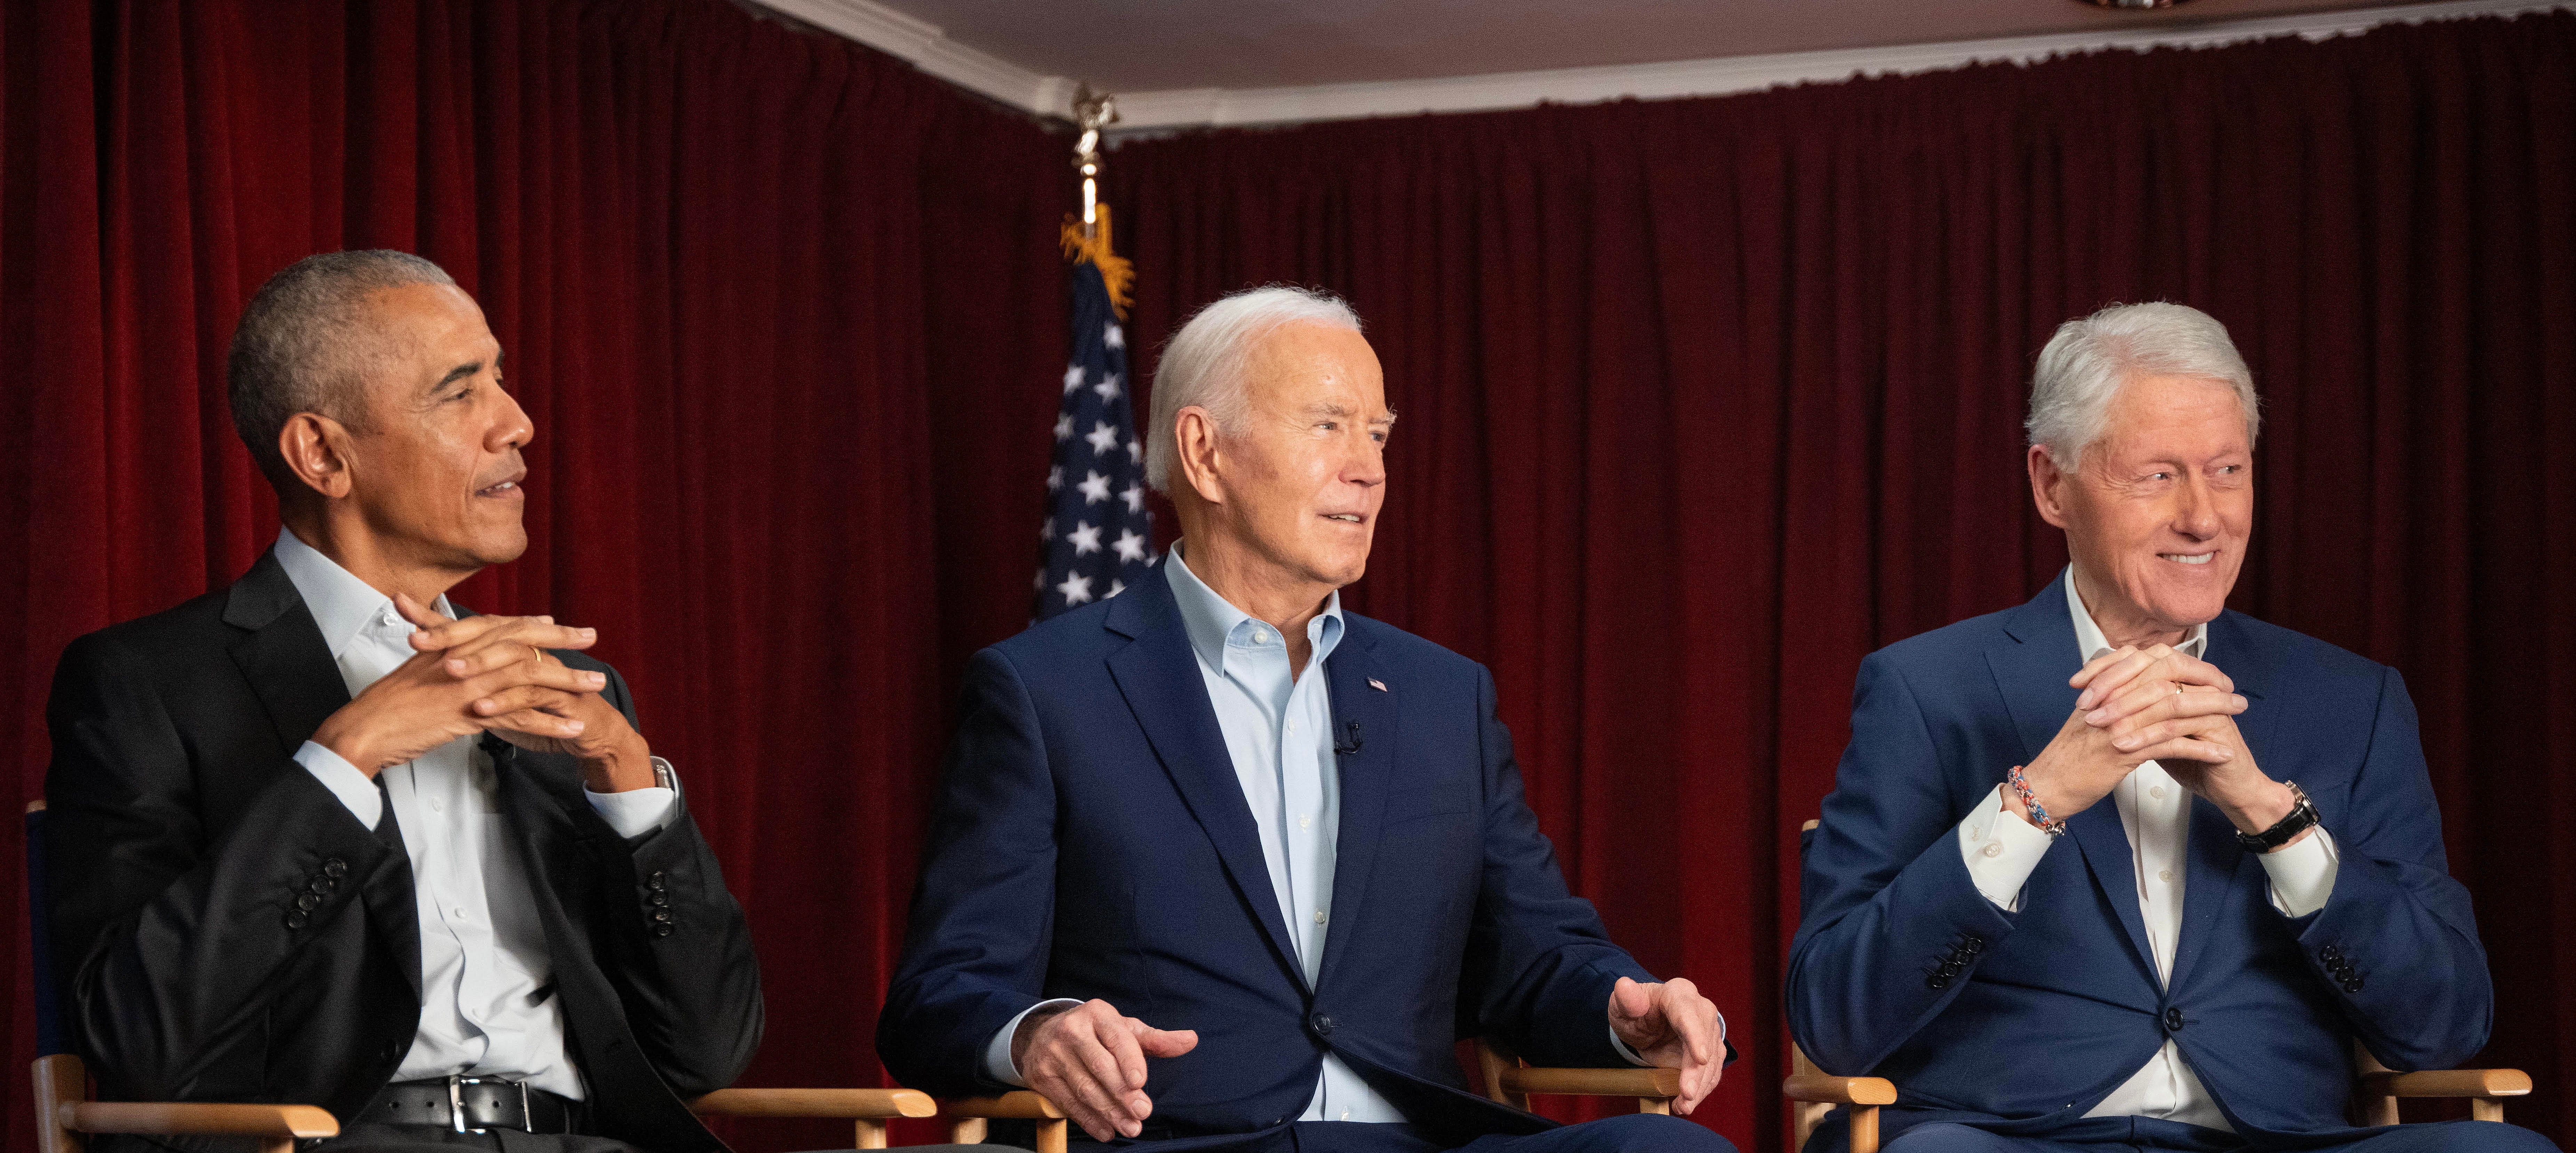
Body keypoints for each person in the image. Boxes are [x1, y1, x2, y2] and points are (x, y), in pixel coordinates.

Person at [877, 286, 1735, 1153]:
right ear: (1205, 454)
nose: (1367, 467)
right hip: (1181, 1140)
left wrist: (1625, 1008)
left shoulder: (1443, 696)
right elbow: (939, 993)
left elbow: (1533, 949)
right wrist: (1036, 1033)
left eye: (1377, 434)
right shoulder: (1044, 690)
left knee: (1673, 1149)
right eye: (1328, 425)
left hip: (1413, 1139)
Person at [43, 251, 786, 1153]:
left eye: (501, 381)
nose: (518, 422)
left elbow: (709, 1048)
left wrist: (627, 779)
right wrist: (345, 756)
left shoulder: (560, 690)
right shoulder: (147, 683)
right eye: (460, 392)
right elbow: (141, 1045)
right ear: (323, 453)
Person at [1788, 303, 2553, 1153]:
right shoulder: (1925, 688)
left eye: (2227, 469)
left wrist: (2273, 816)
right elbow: (1834, 1018)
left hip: (2275, 1140)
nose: (2203, 516)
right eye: (2156, 476)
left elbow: (2445, 1021)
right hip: (2009, 1137)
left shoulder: (2351, 698)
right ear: (2050, 485)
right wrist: (2032, 801)